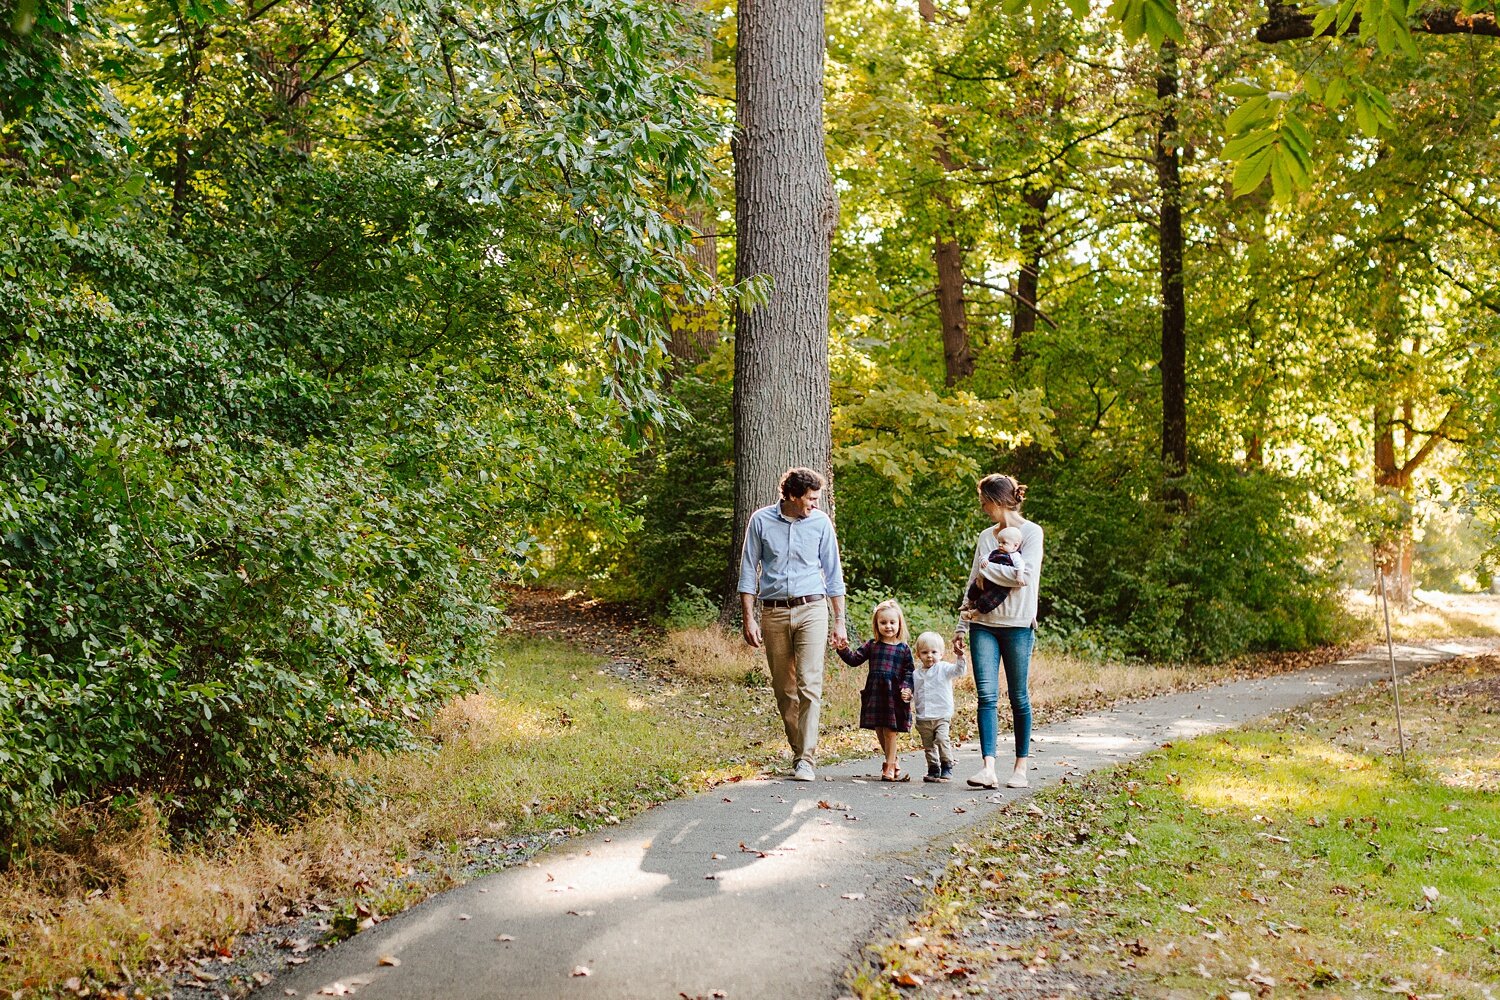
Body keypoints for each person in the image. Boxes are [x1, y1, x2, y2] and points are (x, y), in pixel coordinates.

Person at [738, 467, 848, 782]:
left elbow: (833, 573)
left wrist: (839, 620)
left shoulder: (820, 523)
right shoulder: (761, 521)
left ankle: (806, 759)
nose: (815, 504)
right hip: (773, 612)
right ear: (791, 496)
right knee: (783, 688)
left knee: (809, 684)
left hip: (812, 608)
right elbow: (748, 571)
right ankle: (799, 748)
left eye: (817, 499)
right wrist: (749, 616)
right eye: (810, 499)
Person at [952, 473, 1043, 790]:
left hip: (1018, 625)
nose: (982, 508)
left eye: (984, 502)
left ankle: (1020, 768)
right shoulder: (985, 537)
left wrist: (991, 570)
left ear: (998, 500)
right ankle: (988, 768)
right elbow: (973, 580)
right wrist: (962, 624)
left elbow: (1024, 577)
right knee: (986, 697)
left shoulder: (1032, 533)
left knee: (1019, 697)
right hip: (983, 624)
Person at [837, 599, 915, 782]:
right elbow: (854, 660)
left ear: (899, 624)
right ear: (877, 624)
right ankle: (893, 760)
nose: (888, 626)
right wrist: (842, 649)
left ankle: (888, 766)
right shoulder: (872, 645)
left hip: (894, 694)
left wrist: (907, 688)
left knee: (890, 730)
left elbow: (909, 671)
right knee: (880, 729)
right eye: (883, 622)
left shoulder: (903, 649)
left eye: (892, 622)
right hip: (876, 692)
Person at [910, 631, 967, 783]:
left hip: (941, 715)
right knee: (928, 746)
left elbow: (959, 671)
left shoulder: (944, 668)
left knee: (942, 739)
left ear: (941, 654)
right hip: (923, 717)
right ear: (918, 655)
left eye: (934, 652)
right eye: (925, 652)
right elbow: (913, 692)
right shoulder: (915, 674)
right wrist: (907, 697)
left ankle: (947, 765)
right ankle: (933, 768)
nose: (929, 656)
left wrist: (960, 657)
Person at [959, 525, 1024, 619]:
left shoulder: (1014, 556)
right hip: (987, 579)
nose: (1000, 545)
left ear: (1015, 546)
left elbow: (1020, 566)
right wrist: (984, 561)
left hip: (1000, 585)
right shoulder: (995, 552)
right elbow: (984, 557)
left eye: (1004, 543)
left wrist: (1019, 576)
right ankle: (969, 603)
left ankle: (974, 613)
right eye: (999, 542)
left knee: (990, 600)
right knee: (974, 586)